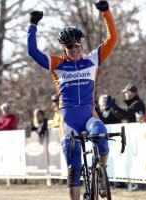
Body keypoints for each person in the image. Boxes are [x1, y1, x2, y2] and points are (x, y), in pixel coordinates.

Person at [27, 1, 118, 199]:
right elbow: (33, 52)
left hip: (88, 116)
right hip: (69, 122)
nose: (74, 49)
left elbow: (113, 38)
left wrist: (106, 12)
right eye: (70, 46)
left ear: (81, 44)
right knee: (74, 167)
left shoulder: (92, 60)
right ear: (63, 46)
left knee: (102, 135)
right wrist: (33, 26)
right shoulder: (57, 64)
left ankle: (102, 173)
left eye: (77, 44)